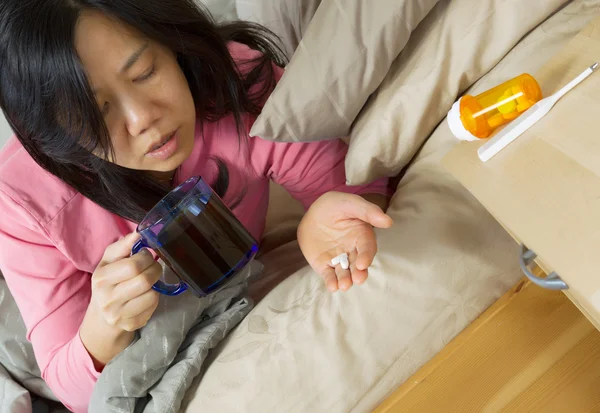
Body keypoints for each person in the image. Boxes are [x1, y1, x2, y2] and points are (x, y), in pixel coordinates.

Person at [0, 1, 393, 411]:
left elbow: (358, 191)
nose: (143, 119)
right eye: (95, 112)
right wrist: (103, 327)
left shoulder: (233, 82)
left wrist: (328, 217)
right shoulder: (23, 202)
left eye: (144, 72)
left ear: (173, 41)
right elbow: (76, 392)